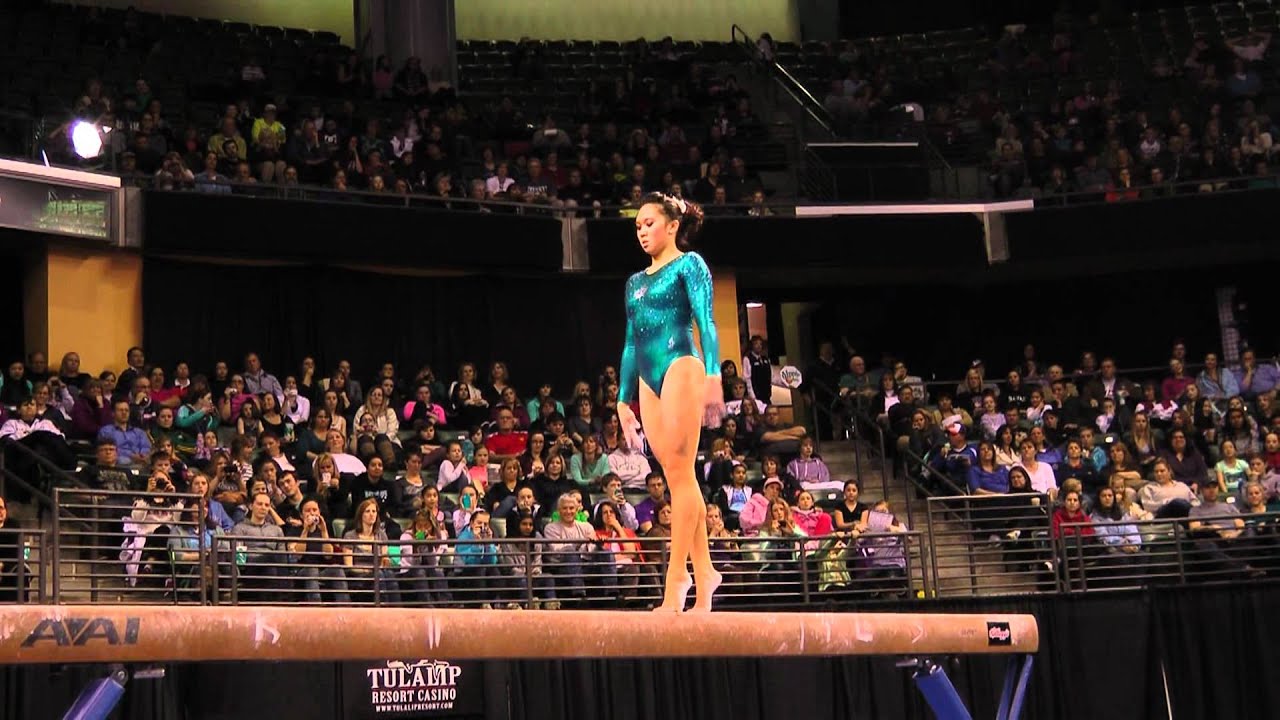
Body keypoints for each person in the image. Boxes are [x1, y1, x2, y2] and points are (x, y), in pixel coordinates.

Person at [616, 192, 723, 612]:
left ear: (672, 225)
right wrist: (623, 400)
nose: (642, 231)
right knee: (679, 476)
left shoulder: (690, 265)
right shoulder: (634, 282)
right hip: (647, 376)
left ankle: (677, 577)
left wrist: (714, 373)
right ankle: (706, 570)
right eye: (637, 226)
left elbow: (706, 320)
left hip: (681, 363)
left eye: (648, 223)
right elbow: (629, 342)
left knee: (679, 475)